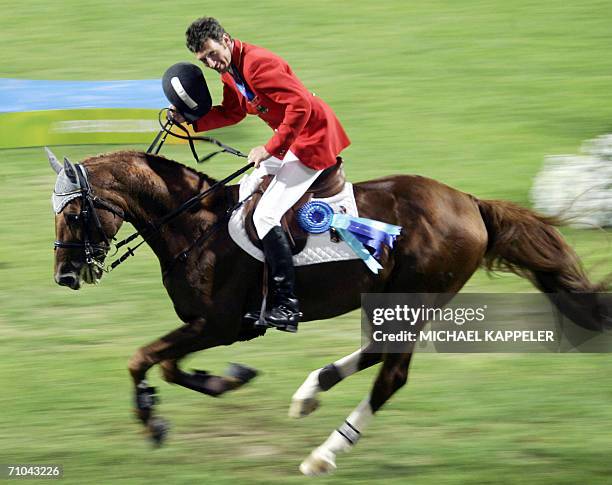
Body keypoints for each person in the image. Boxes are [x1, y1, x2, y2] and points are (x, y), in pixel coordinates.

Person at [169, 17, 350, 333]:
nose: (212, 64)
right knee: (247, 191)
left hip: (311, 141)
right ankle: (256, 289)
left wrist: (268, 148)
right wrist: (189, 122)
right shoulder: (231, 70)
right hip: (291, 141)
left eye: (213, 54)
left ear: (225, 39)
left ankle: (287, 304)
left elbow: (301, 107)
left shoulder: (257, 65)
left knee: (265, 215)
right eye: (204, 60)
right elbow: (233, 111)